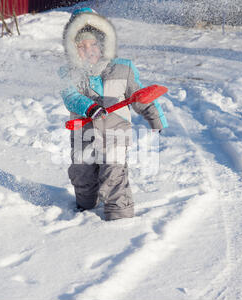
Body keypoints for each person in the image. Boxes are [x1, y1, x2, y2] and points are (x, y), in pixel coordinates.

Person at [59, 8, 168, 221]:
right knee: (82, 173)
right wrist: (89, 108)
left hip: (116, 133)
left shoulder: (123, 69)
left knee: (114, 174)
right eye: (81, 46)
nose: (88, 49)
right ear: (72, 49)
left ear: (104, 43)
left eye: (93, 44)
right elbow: (69, 96)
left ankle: (120, 216)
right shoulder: (68, 73)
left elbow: (140, 97)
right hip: (84, 133)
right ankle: (86, 205)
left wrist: (155, 117)